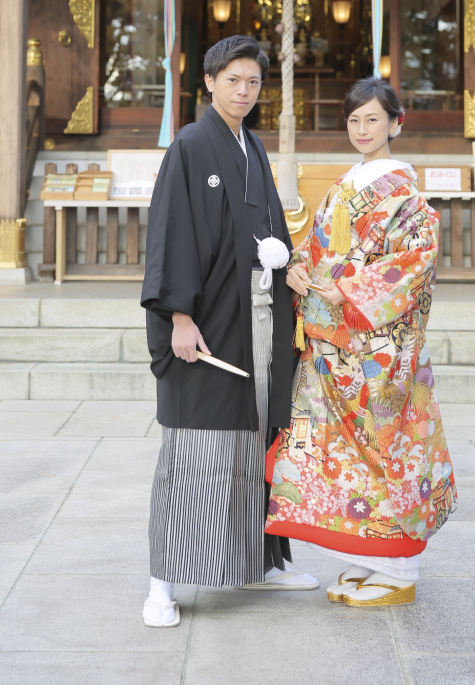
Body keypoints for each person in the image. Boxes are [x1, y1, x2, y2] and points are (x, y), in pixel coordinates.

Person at [141, 34, 318, 627]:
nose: (244, 91)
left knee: (255, 442)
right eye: (234, 80)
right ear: (210, 81)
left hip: (256, 323)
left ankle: (263, 560)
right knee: (194, 452)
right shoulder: (191, 145)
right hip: (209, 324)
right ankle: (161, 584)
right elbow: (172, 234)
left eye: (253, 83)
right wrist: (179, 318)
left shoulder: (254, 146)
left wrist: (277, 255)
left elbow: (267, 227)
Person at [265, 77, 457, 607]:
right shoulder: (342, 187)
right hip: (331, 349)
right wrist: (299, 271)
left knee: (382, 445)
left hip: (378, 352)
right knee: (333, 446)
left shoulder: (408, 198)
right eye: (353, 120)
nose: (362, 129)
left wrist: (340, 291)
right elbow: (315, 246)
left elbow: (409, 268)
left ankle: (400, 567)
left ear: (396, 122)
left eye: (373, 119)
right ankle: (366, 556)